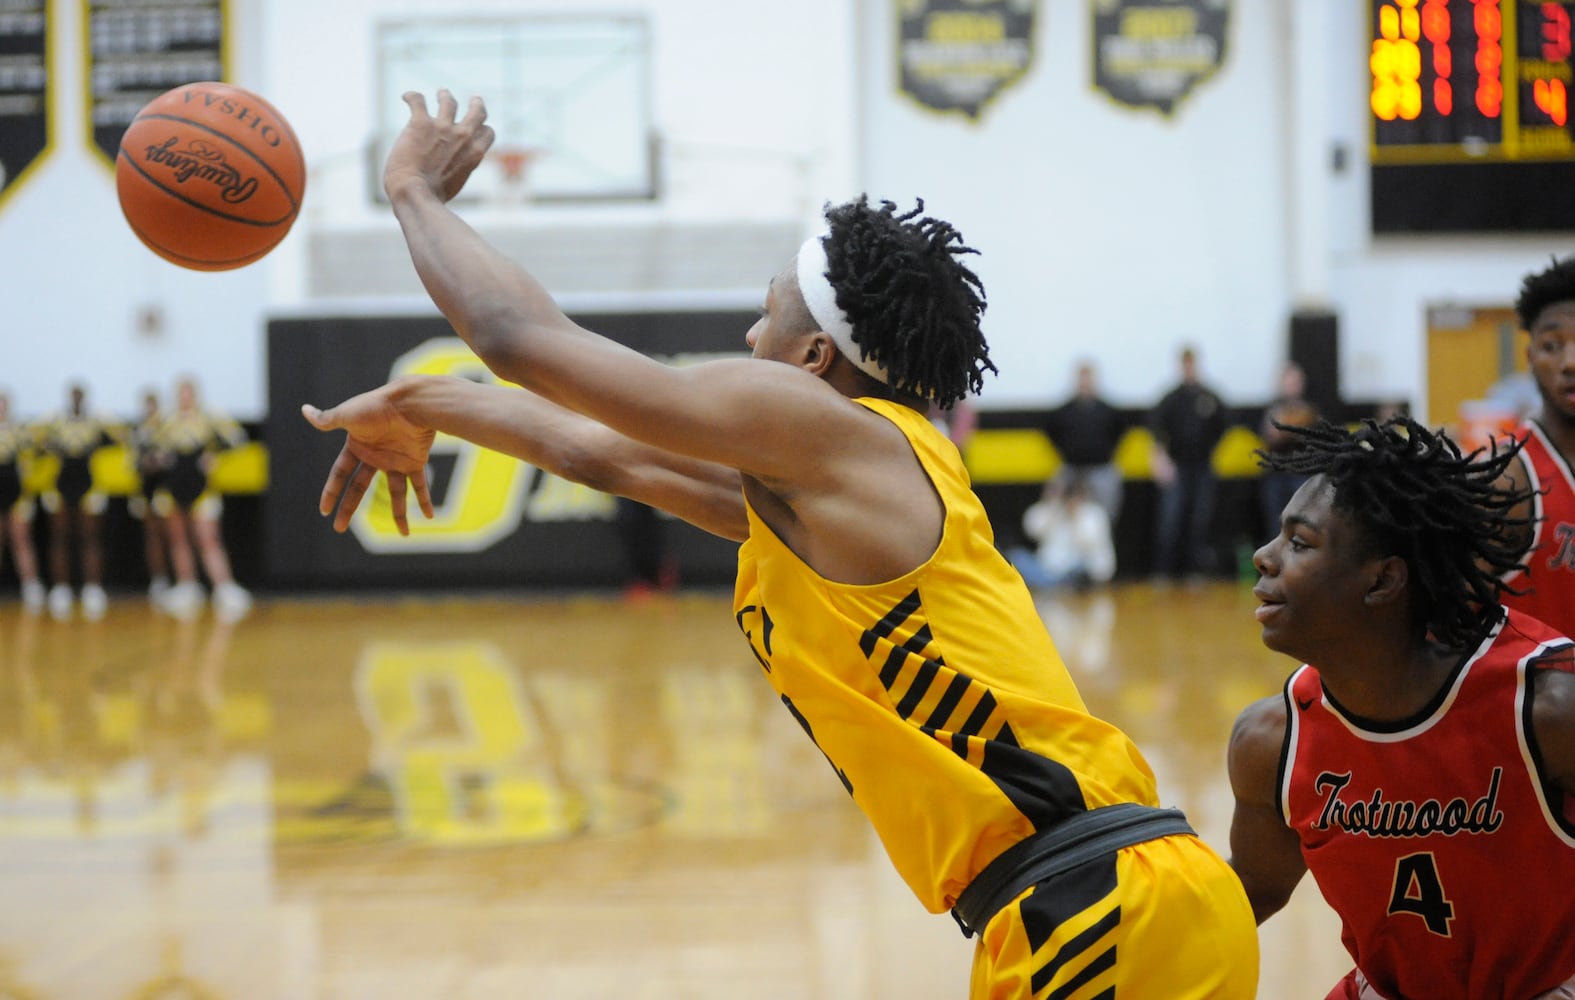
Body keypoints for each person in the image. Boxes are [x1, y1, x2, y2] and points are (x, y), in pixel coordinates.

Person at [301, 91, 1259, 997]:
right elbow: (599, 455)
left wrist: (411, 192)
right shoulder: (838, 491)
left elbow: (516, 334)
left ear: (813, 362)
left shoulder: (835, 435)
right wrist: (422, 403)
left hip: (1093, 905)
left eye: (769, 314)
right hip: (1103, 896)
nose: (748, 331)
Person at [1227, 416, 1575, 999]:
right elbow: (1251, 893)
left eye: (1299, 542)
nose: (1264, 557)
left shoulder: (1547, 706)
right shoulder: (1272, 740)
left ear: (1382, 580)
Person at [1496, 254, 1575, 635]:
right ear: (1529, 358)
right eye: (1552, 345)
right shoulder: (1505, 476)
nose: (1570, 362)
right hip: (1540, 693)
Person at [153, 377, 252, 621]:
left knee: (208, 537)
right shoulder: (166, 420)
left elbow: (237, 438)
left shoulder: (209, 417)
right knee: (178, 538)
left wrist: (214, 456)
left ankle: (224, 587)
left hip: (201, 486)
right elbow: (147, 445)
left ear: (195, 395)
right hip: (174, 485)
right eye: (181, 393)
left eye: (189, 393)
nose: (184, 398)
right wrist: (160, 458)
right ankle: (187, 586)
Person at [36, 382, 117, 621]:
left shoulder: (96, 421)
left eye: (80, 396)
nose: (77, 401)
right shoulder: (56, 420)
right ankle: (61, 588)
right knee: (60, 535)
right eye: (73, 396)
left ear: (86, 399)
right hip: (61, 482)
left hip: (88, 482)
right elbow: (37, 443)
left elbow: (118, 439)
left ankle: (92, 587)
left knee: (90, 536)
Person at [1148, 345, 1228, 581]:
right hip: (1177, 467)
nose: (1189, 369)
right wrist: (1161, 458)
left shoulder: (1210, 397)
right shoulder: (1171, 399)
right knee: (1170, 520)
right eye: (1185, 364)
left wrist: (1211, 450)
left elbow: (1224, 425)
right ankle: (1163, 571)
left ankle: (1195, 570)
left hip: (1203, 466)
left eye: (1192, 364)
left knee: (1199, 519)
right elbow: (1156, 430)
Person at [1044, 361, 1126, 525]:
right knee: (1059, 509)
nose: (1085, 382)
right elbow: (1051, 431)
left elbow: (1120, 431)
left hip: (1100, 468)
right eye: (1082, 378)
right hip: (1072, 467)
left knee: (1105, 515)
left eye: (1088, 378)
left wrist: (1108, 451)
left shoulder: (1106, 410)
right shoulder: (1065, 411)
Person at [1007, 473, 1116, 591]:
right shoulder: (1052, 510)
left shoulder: (1094, 514)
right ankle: (1056, 584)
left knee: (1080, 570)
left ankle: (1060, 584)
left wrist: (1075, 517)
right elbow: (1031, 531)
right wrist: (1052, 509)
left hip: (1078, 568)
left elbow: (1089, 543)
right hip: (1048, 570)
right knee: (1017, 557)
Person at [1256, 361, 1319, 541]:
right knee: (1275, 523)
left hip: (1301, 473)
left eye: (1296, 382)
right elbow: (1270, 436)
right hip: (1276, 474)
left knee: (1301, 521)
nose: (1292, 386)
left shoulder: (1311, 410)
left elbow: (1314, 436)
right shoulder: (1273, 409)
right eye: (1289, 382)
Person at [0, 392, 44, 614]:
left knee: (21, 538)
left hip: (15, 492)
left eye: (3, 406)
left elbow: (30, 458)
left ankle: (31, 586)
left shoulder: (18, 431)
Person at [129, 388, 173, 605]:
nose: (150, 410)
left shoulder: (168, 427)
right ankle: (159, 579)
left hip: (164, 487)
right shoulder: (139, 430)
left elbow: (174, 455)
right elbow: (133, 460)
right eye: (147, 406)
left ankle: (179, 580)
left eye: (153, 405)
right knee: (152, 535)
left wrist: (162, 460)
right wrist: (145, 463)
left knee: (170, 533)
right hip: (146, 487)